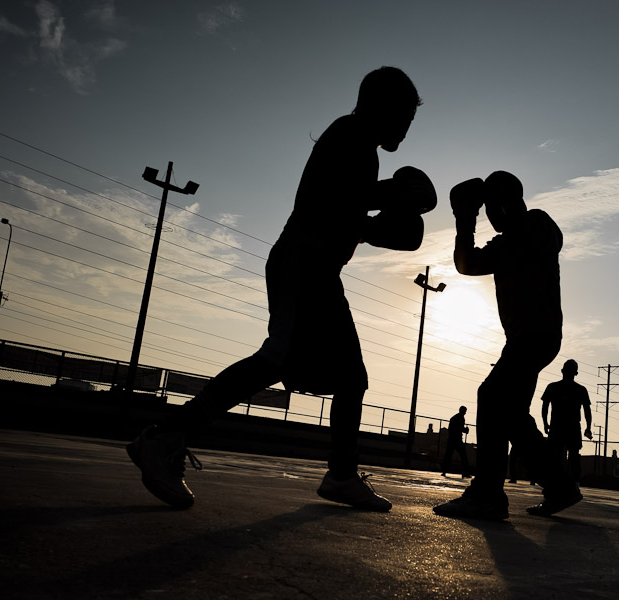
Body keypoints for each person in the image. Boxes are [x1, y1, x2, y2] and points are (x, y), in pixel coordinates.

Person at [127, 67, 435, 512]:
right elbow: (328, 204)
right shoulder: (349, 135)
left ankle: (342, 475)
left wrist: (381, 216)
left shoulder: (361, 149)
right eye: (404, 116)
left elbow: (349, 211)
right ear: (380, 107)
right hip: (303, 263)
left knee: (349, 376)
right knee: (279, 359)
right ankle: (165, 437)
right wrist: (392, 197)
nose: (407, 128)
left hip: (319, 269)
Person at [433, 171, 581, 520]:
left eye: (489, 210)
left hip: (535, 336)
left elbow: (548, 240)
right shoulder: (505, 243)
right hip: (527, 338)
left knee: (490, 396)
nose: (490, 218)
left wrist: (494, 211)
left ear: (504, 204)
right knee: (511, 415)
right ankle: (559, 485)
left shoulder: (535, 225)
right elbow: (466, 264)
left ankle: (486, 493)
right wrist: (464, 221)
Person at [541, 359, 593, 481]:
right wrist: (588, 427)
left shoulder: (553, 387)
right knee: (571, 455)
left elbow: (545, 407)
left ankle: (557, 481)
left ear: (562, 371)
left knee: (556, 455)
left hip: (559, 427)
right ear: (576, 373)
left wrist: (545, 423)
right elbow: (587, 411)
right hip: (570, 427)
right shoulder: (580, 389)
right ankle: (572, 482)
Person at [441, 406, 470, 477]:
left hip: (452, 439)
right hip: (457, 440)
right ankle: (465, 472)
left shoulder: (454, 418)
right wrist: (465, 430)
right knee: (463, 456)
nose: (465, 413)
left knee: (448, 455)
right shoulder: (460, 418)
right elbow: (458, 428)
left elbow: (452, 429)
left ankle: (444, 471)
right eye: (465, 411)